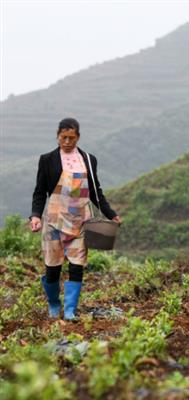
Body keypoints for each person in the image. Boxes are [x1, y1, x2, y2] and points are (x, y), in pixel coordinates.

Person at [30, 117, 121, 320]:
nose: (68, 142)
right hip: (54, 220)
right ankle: (54, 303)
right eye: (64, 137)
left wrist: (111, 214)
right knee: (53, 267)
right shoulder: (47, 160)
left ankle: (70, 310)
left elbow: (96, 192)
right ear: (58, 136)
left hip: (81, 220)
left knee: (77, 265)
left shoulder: (88, 159)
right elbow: (39, 191)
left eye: (72, 138)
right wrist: (35, 215)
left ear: (78, 137)